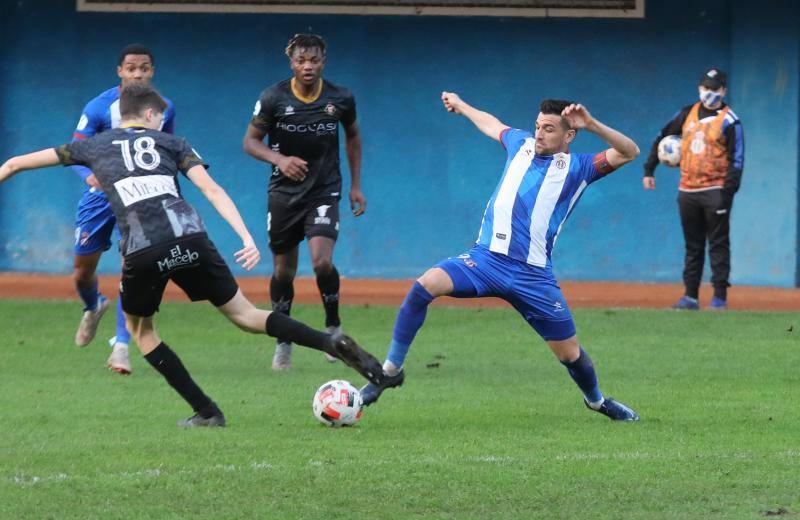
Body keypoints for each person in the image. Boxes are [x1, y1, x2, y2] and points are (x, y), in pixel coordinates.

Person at [0, 84, 385, 428]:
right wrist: (245, 236)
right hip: (192, 238)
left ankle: (207, 411)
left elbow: (15, 164)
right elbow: (212, 189)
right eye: (160, 116)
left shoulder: (93, 146)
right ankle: (330, 343)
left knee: (141, 331)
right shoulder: (173, 143)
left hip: (143, 249)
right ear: (151, 114)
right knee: (247, 315)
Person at [360, 93, 641, 422]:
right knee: (424, 286)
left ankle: (596, 401)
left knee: (570, 354)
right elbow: (490, 123)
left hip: (533, 276)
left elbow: (629, 151)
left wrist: (592, 123)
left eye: (548, 129)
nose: (538, 133)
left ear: (569, 135)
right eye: (537, 126)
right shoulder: (520, 143)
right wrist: (462, 106)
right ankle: (389, 371)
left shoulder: (580, 168)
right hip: (485, 262)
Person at [243, 33, 365, 371]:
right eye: (301, 60)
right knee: (284, 270)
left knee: (322, 262)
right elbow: (250, 142)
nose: (308, 66)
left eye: (314, 60)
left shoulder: (340, 97)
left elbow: (353, 137)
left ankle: (333, 328)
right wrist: (279, 160)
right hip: (283, 194)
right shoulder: (273, 98)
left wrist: (355, 186)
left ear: (323, 61)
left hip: (324, 190)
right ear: (292, 63)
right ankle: (284, 342)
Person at [70, 43, 176, 375]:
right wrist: (91, 179)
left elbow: (167, 154)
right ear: (120, 71)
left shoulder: (164, 108)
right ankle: (93, 305)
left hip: (138, 200)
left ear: (152, 71)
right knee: (82, 271)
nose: (138, 73)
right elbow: (75, 151)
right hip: (100, 200)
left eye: (144, 67)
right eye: (131, 68)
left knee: (131, 268)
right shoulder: (100, 106)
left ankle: (121, 347)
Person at [643, 68, 744, 310]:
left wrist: (727, 193)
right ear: (700, 88)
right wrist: (649, 169)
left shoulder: (731, 121)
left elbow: (737, 161)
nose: (710, 93)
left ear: (723, 90)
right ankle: (690, 296)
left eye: (715, 88)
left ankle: (719, 297)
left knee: (718, 243)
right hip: (687, 190)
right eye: (706, 88)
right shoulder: (687, 114)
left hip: (715, 190)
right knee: (693, 245)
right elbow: (662, 136)